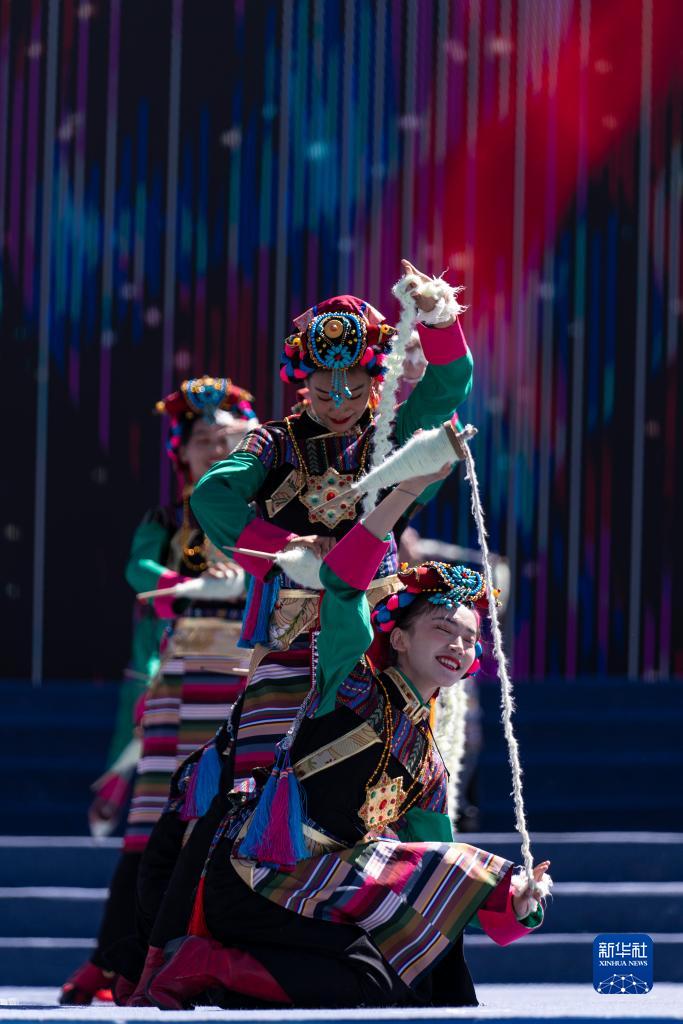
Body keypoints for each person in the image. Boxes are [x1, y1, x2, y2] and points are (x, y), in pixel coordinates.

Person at [131, 456, 550, 1009]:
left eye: (469, 640)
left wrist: (517, 902)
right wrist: (403, 494)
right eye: (442, 629)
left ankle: (225, 976)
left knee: (403, 979)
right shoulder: (350, 685)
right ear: (398, 638)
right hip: (256, 880)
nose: (457, 645)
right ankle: (206, 962)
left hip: (317, 891)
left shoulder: (428, 764)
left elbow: (437, 868)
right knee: (375, 980)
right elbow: (344, 588)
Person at [60, 377, 257, 1005]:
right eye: (203, 440)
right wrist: (188, 583)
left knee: (235, 824)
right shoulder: (170, 520)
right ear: (183, 453)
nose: (215, 448)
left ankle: (203, 961)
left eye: (227, 439)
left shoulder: (266, 513)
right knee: (154, 824)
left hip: (252, 678)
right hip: (183, 677)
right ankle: (113, 958)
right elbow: (138, 568)